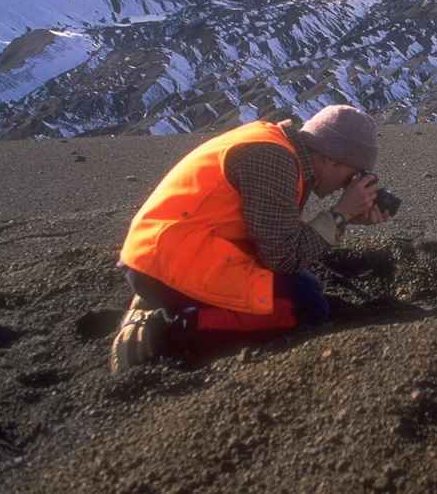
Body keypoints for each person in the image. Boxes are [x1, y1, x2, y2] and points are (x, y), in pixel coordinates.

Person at [110, 105, 389, 373]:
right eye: (350, 174)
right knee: (303, 308)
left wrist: (346, 216)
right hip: (164, 264)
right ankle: (160, 332)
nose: (347, 184)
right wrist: (339, 214)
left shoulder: (278, 149)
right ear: (329, 157)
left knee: (305, 285)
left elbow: (280, 239)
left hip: (168, 252)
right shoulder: (274, 161)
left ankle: (169, 301)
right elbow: (282, 256)